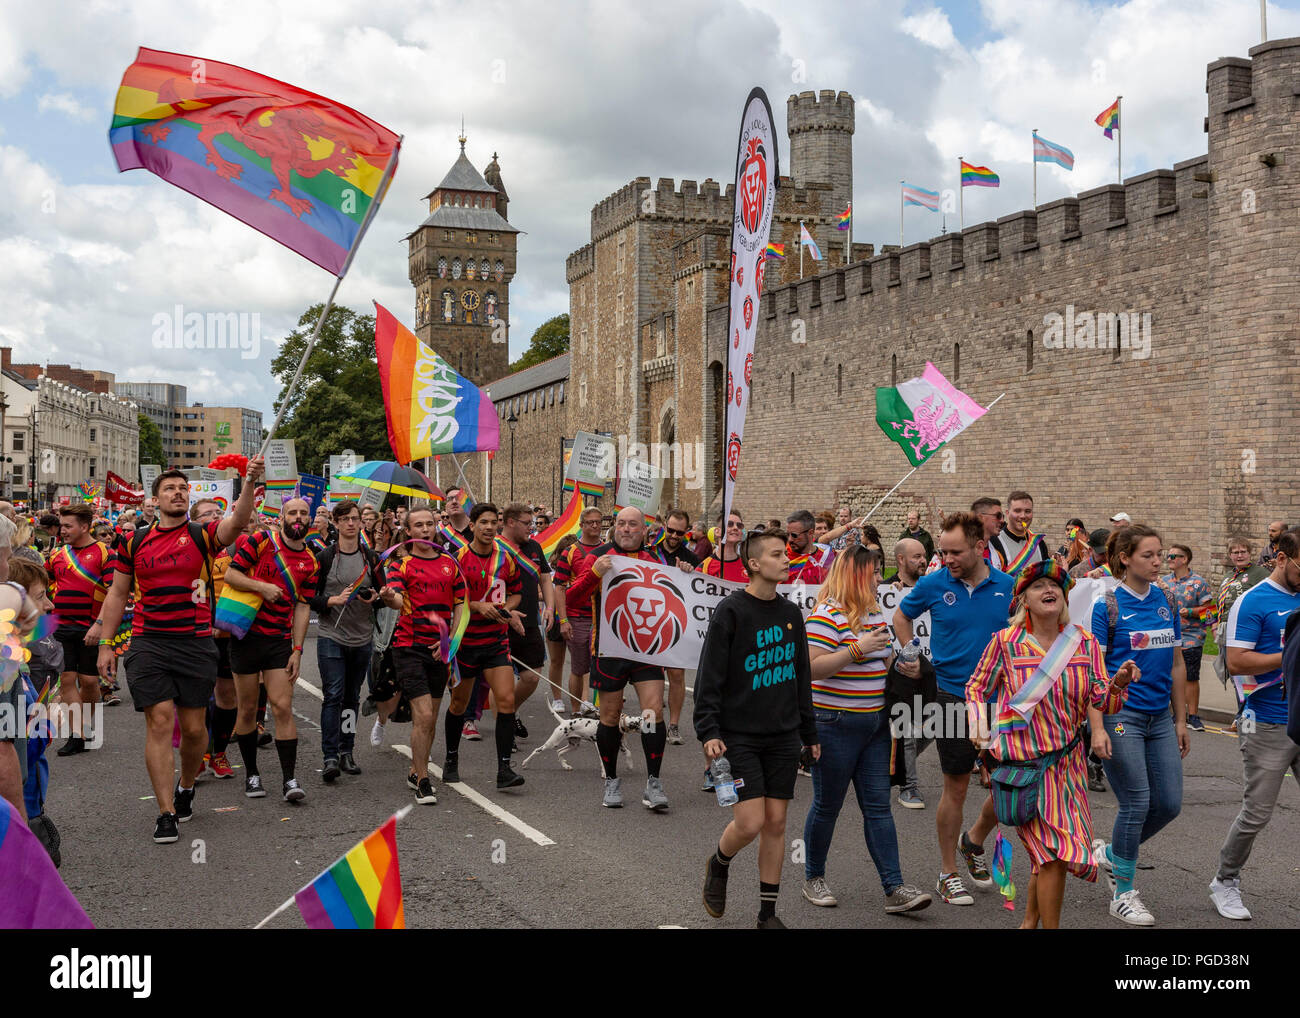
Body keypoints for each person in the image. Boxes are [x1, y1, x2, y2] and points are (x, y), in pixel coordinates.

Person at [96, 459, 265, 844]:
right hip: (148, 642)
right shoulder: (132, 540)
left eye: (183, 489)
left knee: (192, 730)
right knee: (158, 721)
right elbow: (118, 593)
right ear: (154, 501)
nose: (178, 493)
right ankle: (165, 811)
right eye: (169, 489)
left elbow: (235, 524)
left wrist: (250, 483)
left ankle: (186, 784)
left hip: (194, 644)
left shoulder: (202, 535)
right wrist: (107, 643)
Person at [968, 561, 1137, 929]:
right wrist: (979, 726)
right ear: (1023, 599)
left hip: (1068, 765)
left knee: (1050, 856)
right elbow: (977, 687)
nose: (1049, 590)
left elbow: (1102, 701)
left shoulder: (1084, 642)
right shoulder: (1006, 643)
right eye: (1039, 586)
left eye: (1055, 586)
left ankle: (1030, 923)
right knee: (1053, 857)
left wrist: (1119, 683)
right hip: (1024, 766)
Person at [695, 529, 819, 929]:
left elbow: (801, 676)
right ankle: (719, 861)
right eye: (778, 554)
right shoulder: (731, 611)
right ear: (753, 563)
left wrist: (810, 733)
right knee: (750, 822)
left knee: (777, 823)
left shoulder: (790, 614)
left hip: (783, 735)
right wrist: (709, 730)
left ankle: (767, 914)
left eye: (787, 554)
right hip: (738, 735)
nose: (787, 560)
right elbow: (709, 677)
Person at [801, 544, 932, 914]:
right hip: (834, 725)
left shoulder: (876, 612)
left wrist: (905, 668)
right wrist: (857, 650)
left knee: (878, 807)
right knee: (827, 806)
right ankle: (813, 877)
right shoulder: (826, 615)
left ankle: (895, 887)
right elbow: (811, 669)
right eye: (874, 573)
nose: (880, 579)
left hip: (875, 725)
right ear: (857, 576)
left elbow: (883, 661)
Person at [895, 511, 1014, 906]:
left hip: (1000, 700)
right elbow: (901, 615)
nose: (947, 559)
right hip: (952, 697)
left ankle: (974, 840)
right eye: (942, 552)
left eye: (955, 552)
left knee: (1011, 787)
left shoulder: (1008, 586)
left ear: (980, 547)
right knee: (957, 786)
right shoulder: (933, 584)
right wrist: (910, 653)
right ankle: (947, 873)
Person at [1088, 524, 1189, 926]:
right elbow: (1095, 675)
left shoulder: (1166, 598)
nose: (1157, 562)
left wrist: (1181, 720)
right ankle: (1124, 893)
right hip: (1120, 715)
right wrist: (1097, 727)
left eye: (1160, 554)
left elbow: (1178, 664)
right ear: (1125, 558)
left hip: (1159, 717)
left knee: (1169, 804)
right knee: (1136, 803)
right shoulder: (1108, 606)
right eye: (1148, 555)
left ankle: (1112, 855)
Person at [1210, 528, 1300, 920]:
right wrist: (1291, 656)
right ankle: (1225, 881)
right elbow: (1236, 661)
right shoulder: (1253, 600)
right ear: (1282, 558)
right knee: (1257, 812)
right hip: (1266, 720)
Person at [567, 507, 672, 810]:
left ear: (644, 530)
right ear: (615, 528)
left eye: (633, 525)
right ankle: (611, 780)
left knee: (652, 712)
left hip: (646, 649)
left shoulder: (655, 560)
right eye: (621, 524)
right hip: (609, 649)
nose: (626, 529)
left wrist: (685, 575)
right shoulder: (598, 556)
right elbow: (573, 597)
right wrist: (596, 573)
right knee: (610, 717)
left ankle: (653, 782)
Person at [223, 497, 320, 804]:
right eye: (292, 512)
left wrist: (297, 649)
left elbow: (303, 608)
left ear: (310, 520)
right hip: (246, 637)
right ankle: (252, 773)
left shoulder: (312, 561)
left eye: (303, 513)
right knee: (249, 709)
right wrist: (261, 587)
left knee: (282, 706)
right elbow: (231, 575)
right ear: (281, 517)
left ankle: (289, 779)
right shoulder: (261, 540)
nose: (298, 517)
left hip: (279, 642)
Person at [379, 506, 467, 804]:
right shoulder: (399, 564)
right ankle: (424, 779)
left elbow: (459, 603)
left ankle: (416, 769)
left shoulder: (450, 563)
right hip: (409, 647)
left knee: (430, 720)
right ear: (408, 531)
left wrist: (450, 641)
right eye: (419, 525)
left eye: (430, 523)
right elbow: (397, 598)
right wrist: (391, 598)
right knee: (424, 715)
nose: (426, 529)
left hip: (441, 650)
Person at [444, 503, 526, 790]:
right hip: (465, 642)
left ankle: (504, 769)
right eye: (484, 522)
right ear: (474, 525)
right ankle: (451, 759)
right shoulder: (457, 559)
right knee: (458, 704)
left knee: (505, 701)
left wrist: (506, 609)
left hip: (496, 642)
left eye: (494, 522)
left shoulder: (507, 558)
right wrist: (478, 606)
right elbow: (451, 600)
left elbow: (517, 592)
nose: (490, 528)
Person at [309, 501, 387, 783]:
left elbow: (383, 593)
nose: (352, 524)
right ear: (336, 523)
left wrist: (375, 597)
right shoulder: (325, 558)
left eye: (355, 518)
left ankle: (347, 751)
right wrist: (333, 600)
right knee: (333, 695)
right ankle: (330, 756)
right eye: (345, 519)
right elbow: (310, 599)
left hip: (362, 637)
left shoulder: (371, 558)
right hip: (332, 636)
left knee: (351, 698)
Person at [48, 505, 112, 757]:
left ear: (84, 527)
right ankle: (78, 734)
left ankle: (85, 725)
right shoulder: (56, 554)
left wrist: (99, 624)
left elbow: (115, 592)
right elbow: (45, 581)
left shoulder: (106, 553)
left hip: (91, 627)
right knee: (66, 680)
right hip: (61, 626)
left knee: (89, 682)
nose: (62, 531)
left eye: (67, 526)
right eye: (61, 526)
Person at [878, 537, 934, 809]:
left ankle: (897, 761)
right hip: (899, 672)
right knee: (907, 729)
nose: (923, 560)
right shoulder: (886, 590)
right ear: (900, 560)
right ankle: (908, 787)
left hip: (931, 671)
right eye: (916, 557)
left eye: (924, 555)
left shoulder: (931, 587)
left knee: (935, 724)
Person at [498, 502, 555, 746]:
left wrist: (550, 608)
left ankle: (511, 711)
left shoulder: (534, 546)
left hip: (530, 620)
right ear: (511, 522)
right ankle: (505, 726)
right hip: (500, 621)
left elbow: (545, 577)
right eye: (526, 523)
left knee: (531, 677)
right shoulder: (495, 547)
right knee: (501, 680)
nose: (531, 528)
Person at [553, 506, 604, 716]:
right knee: (579, 667)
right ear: (581, 525)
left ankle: (599, 708)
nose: (595, 525)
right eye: (590, 522)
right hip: (578, 616)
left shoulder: (609, 549)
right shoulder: (570, 551)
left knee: (602, 666)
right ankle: (575, 711)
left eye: (598, 522)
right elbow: (559, 586)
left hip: (603, 617)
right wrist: (563, 619)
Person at [656, 507, 699, 745]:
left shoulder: (693, 559)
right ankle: (652, 723)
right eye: (670, 530)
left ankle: (673, 725)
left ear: (687, 532)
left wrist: (691, 574)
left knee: (676, 675)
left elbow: (698, 592)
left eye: (679, 533)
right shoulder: (649, 552)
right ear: (664, 525)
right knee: (651, 677)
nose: (673, 535)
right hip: (650, 621)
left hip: (677, 623)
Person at [1158, 544, 1212, 732]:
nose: (1170, 559)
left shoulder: (1199, 583)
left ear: (1185, 559)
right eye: (1169, 555)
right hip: (1166, 638)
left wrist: (1190, 611)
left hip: (1191, 637)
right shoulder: (1163, 581)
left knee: (1190, 677)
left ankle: (1193, 716)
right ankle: (1174, 713)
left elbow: (1210, 614)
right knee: (1169, 677)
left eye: (1174, 556)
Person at [1214, 535, 1270, 715]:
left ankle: (1247, 716)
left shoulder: (1260, 573)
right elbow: (1219, 602)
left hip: (1246, 631)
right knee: (1235, 676)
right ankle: (1241, 715)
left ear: (1250, 553)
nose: (1239, 555)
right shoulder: (1229, 575)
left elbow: (1266, 599)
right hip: (1226, 631)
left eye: (1243, 551)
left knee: (1246, 675)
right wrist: (1213, 625)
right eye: (1235, 552)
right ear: (1230, 555)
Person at [988, 490, 1049, 577]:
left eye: (1027, 511)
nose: (1023, 516)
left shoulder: (1039, 542)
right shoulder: (994, 541)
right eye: (1017, 511)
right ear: (1007, 513)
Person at [701, 510, 748, 582]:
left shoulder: (748, 567)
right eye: (729, 524)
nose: (736, 528)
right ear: (717, 531)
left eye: (739, 525)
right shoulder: (705, 567)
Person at [785, 510, 828, 584]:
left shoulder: (828, 556)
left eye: (794, 535)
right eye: (787, 535)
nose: (790, 539)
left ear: (810, 533)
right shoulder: (783, 558)